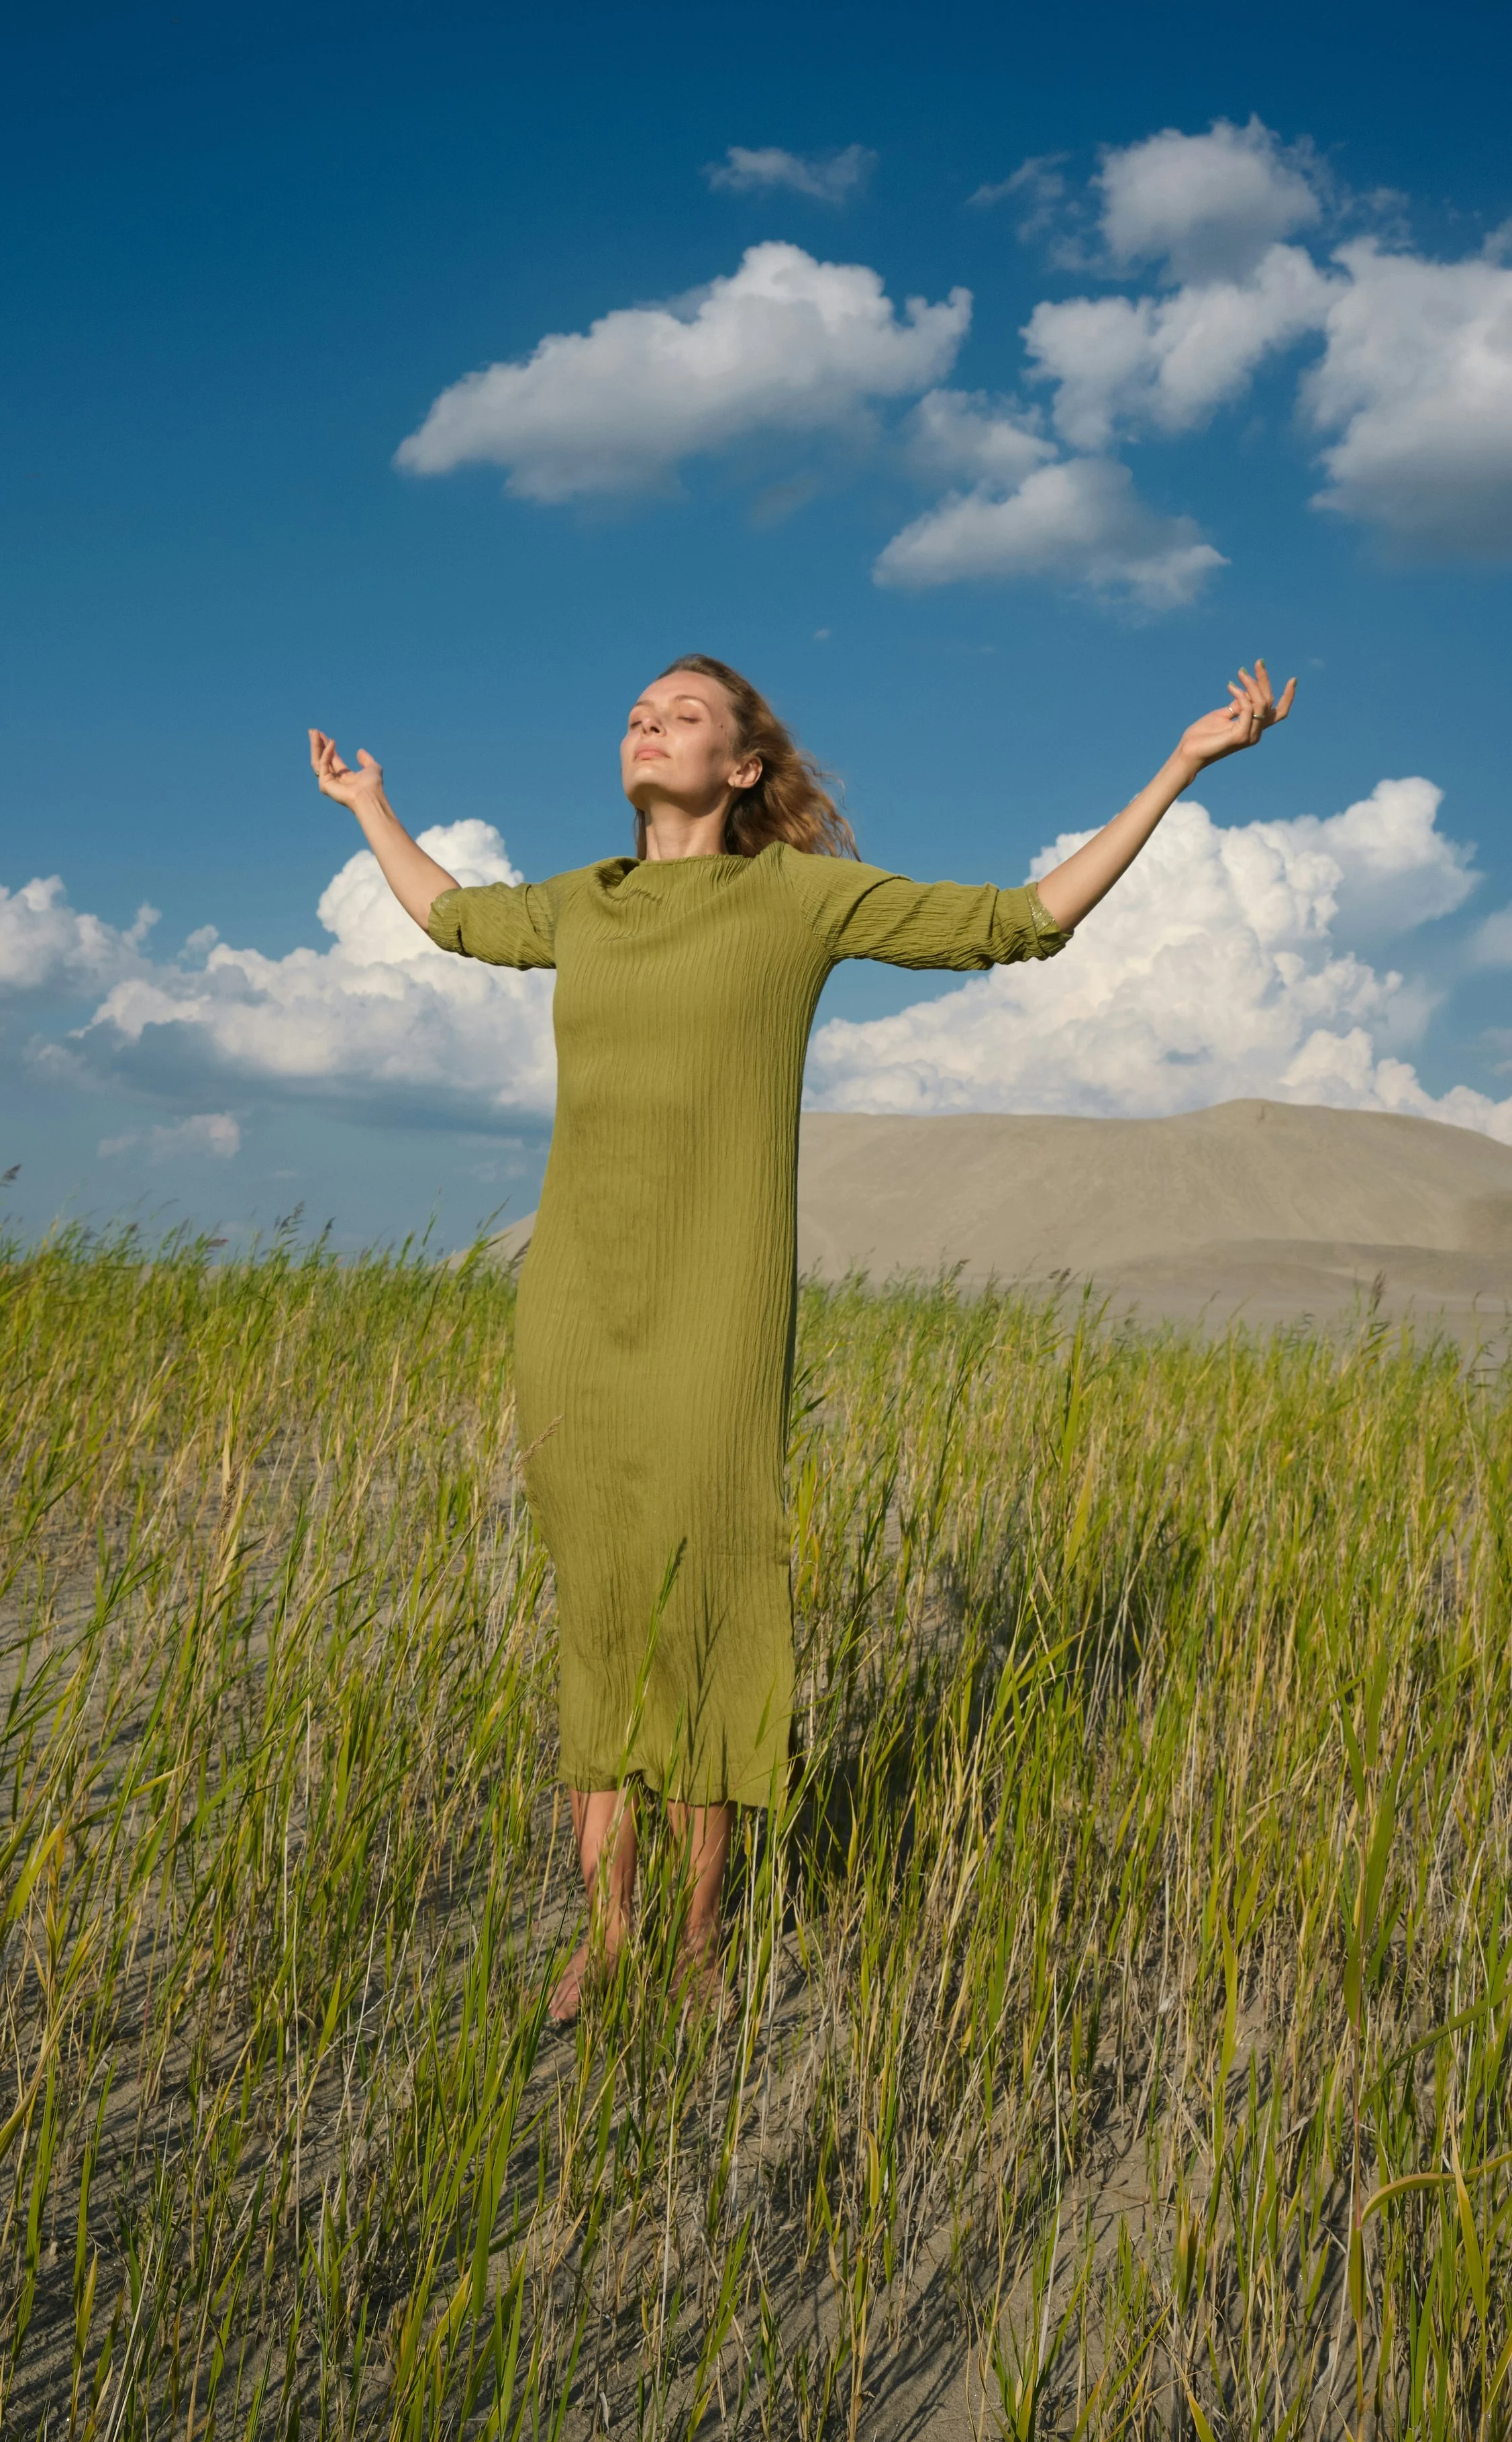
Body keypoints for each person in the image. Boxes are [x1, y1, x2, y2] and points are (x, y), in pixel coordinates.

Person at [309, 652, 1294, 2020]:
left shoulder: (797, 897)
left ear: (745, 768)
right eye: (637, 710)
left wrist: (1179, 769)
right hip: (573, 1298)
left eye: (685, 713)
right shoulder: (576, 910)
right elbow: (450, 918)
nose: (647, 721)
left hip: (717, 1291)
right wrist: (368, 808)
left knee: (705, 1597)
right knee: (597, 1601)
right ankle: (603, 1931)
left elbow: (1022, 921)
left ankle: (700, 1940)